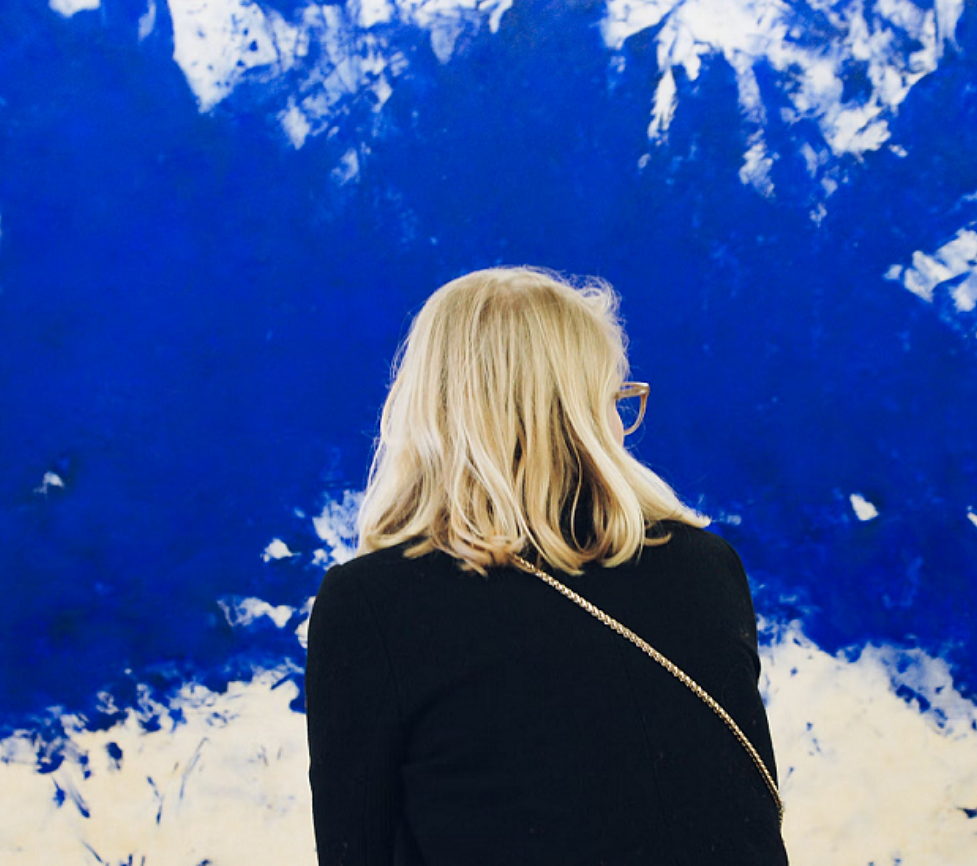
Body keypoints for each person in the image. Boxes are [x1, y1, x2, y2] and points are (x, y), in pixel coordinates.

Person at [305, 267, 787, 865]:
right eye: (613, 399)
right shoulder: (706, 567)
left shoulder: (374, 604)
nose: (619, 424)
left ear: (434, 410)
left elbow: (356, 849)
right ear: (581, 416)